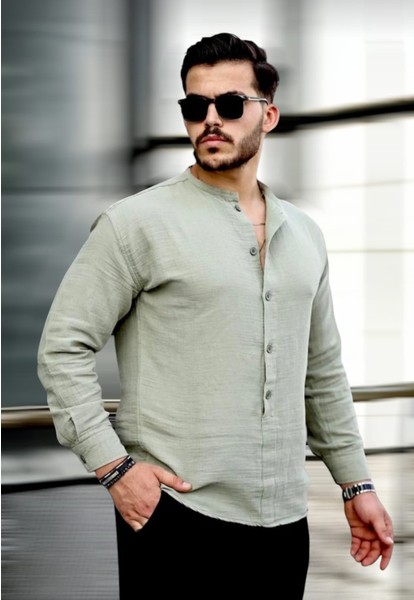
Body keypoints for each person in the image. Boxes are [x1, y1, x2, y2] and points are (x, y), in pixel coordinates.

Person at [37, 32, 394, 599]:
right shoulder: (135, 224)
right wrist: (114, 469)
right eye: (194, 106)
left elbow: (321, 372)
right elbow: (63, 348)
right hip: (174, 515)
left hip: (285, 523)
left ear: (268, 115)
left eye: (229, 104)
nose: (210, 119)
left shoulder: (306, 235)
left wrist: (357, 485)